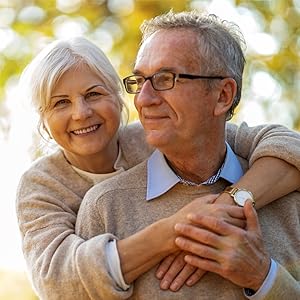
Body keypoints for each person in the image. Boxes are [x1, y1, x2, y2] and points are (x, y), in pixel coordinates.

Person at [16, 37, 299, 300]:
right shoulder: (41, 186)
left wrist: (226, 206)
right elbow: (57, 281)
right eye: (61, 103)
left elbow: (284, 145)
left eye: (93, 94)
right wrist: (178, 230)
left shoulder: (157, 134)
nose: (81, 113)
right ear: (44, 118)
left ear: (118, 96)